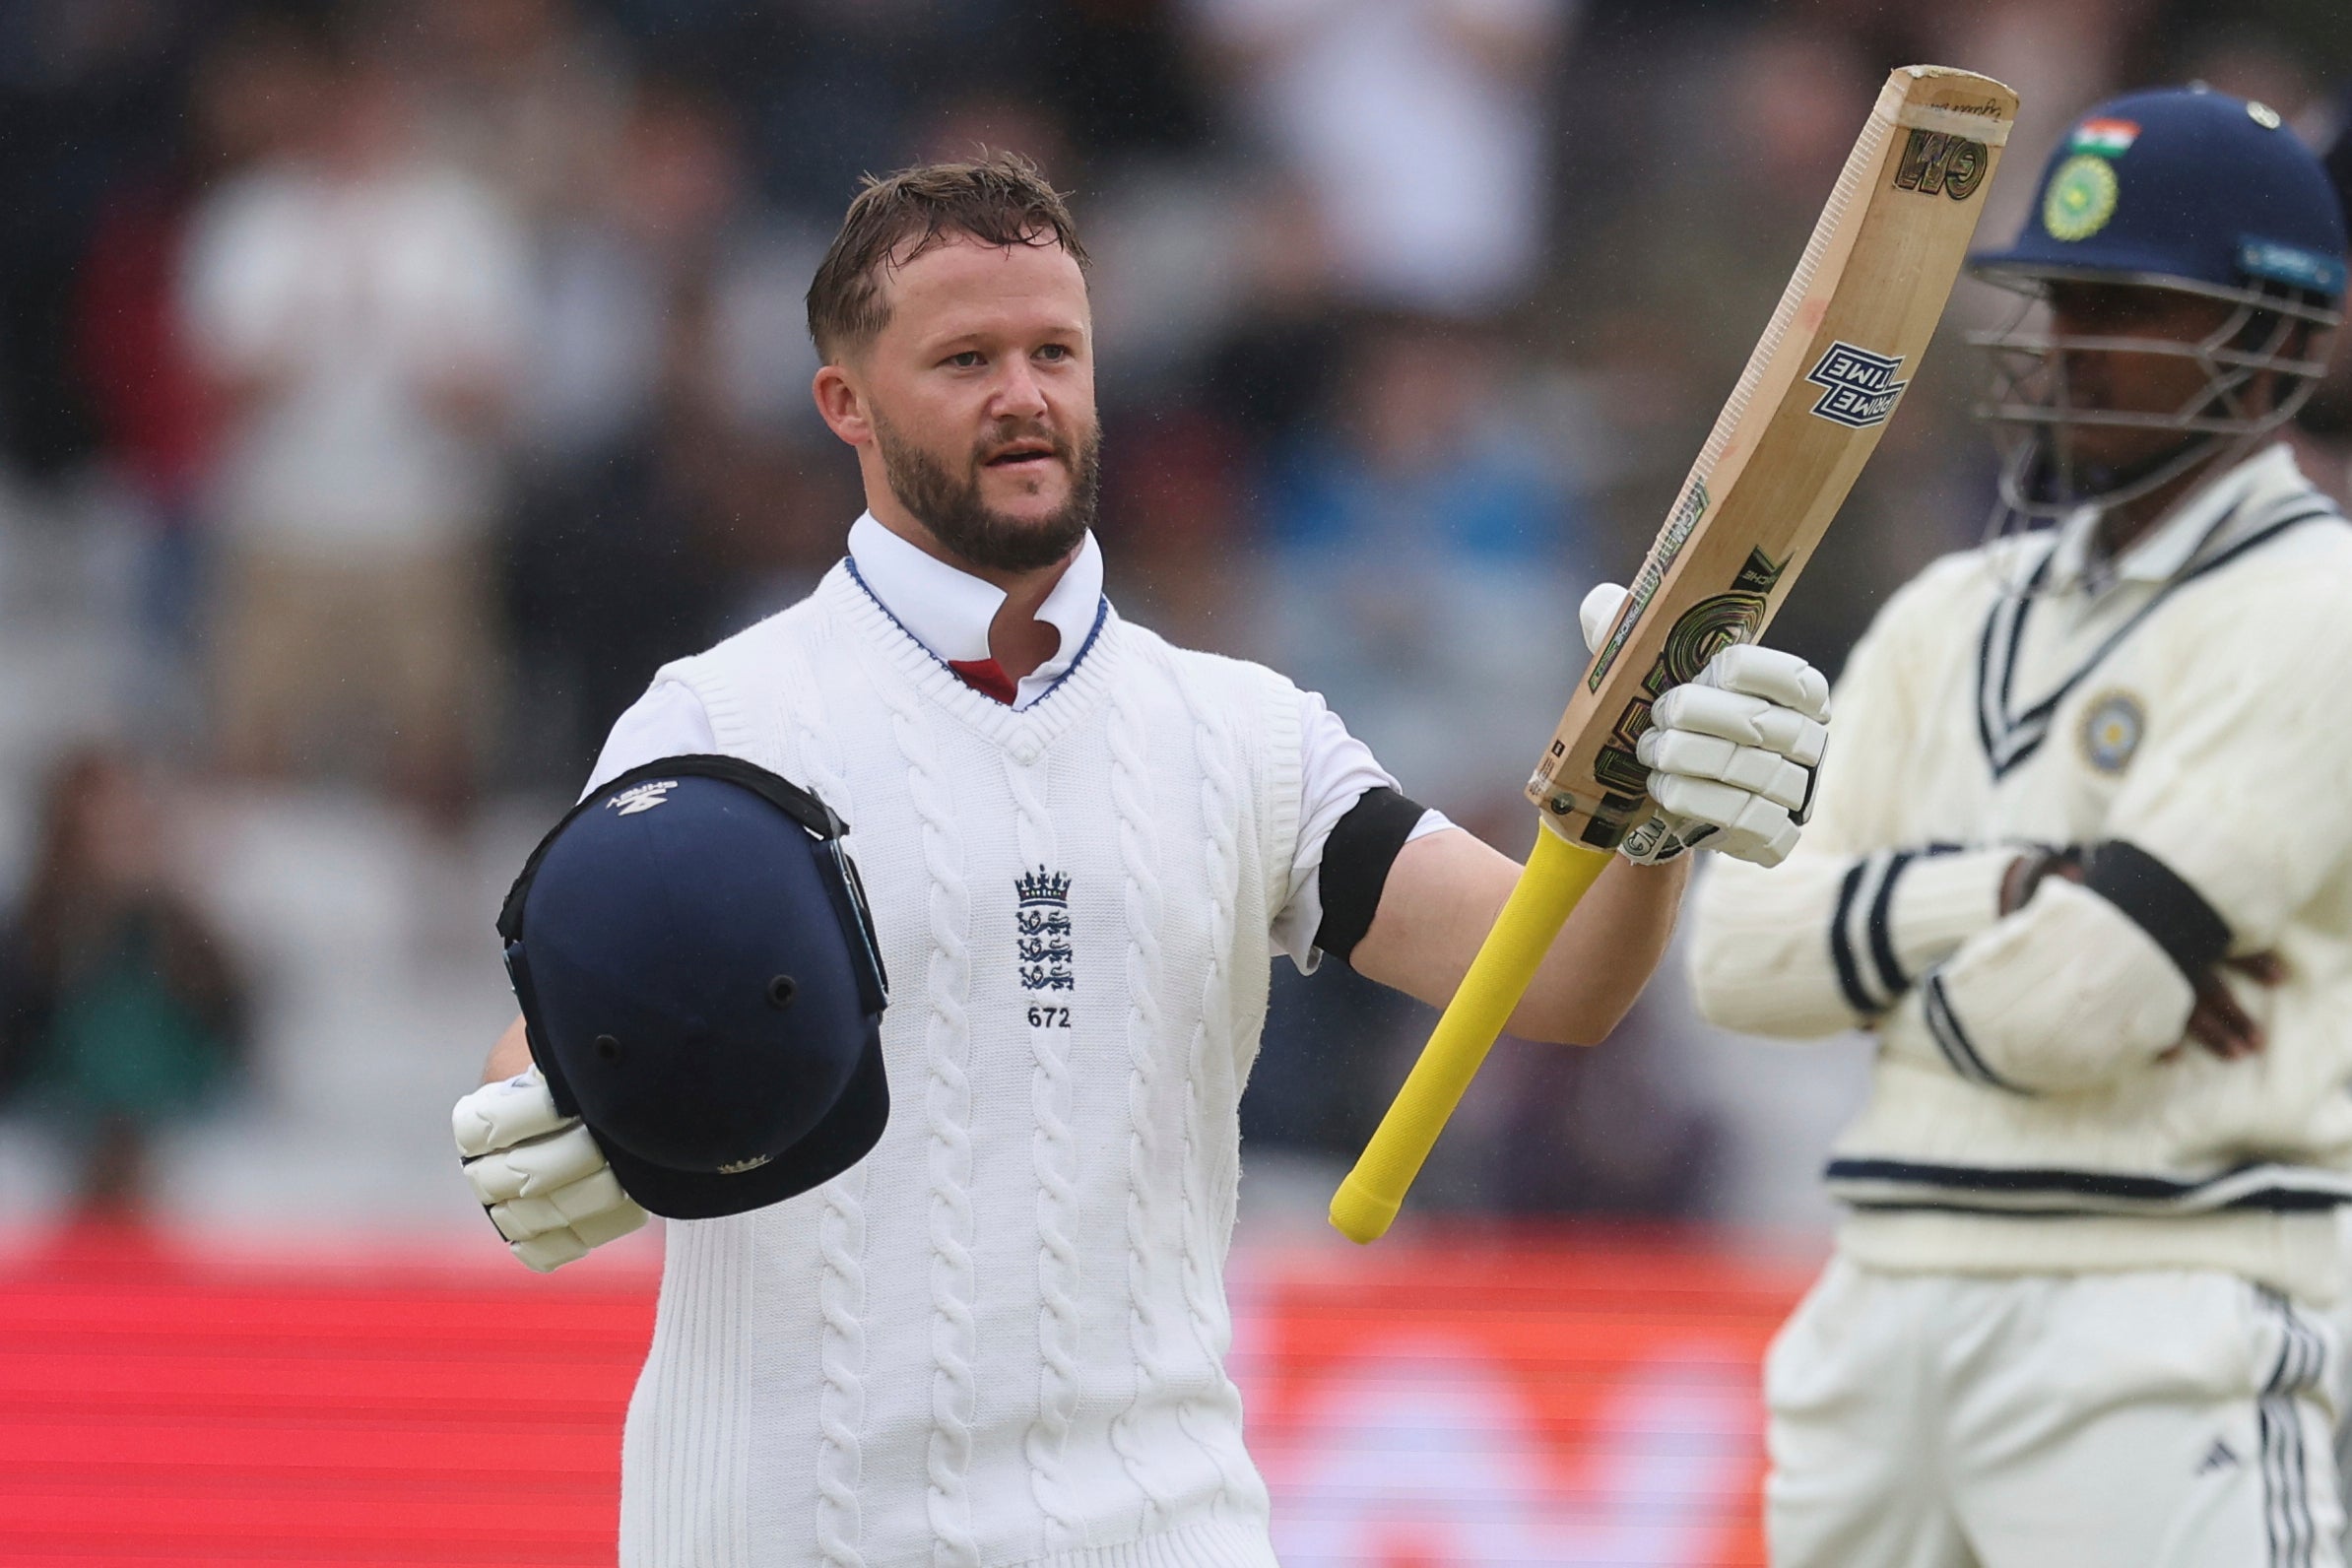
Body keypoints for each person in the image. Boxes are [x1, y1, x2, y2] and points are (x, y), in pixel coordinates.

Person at [454, 152, 1831, 1565]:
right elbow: (550, 1038)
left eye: (1056, 350)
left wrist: (1649, 807)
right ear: (844, 405)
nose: (1024, 396)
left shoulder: (1242, 733)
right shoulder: (722, 716)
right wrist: (543, 1113)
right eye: (966, 358)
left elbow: (1557, 982)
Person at [1687, 87, 2352, 1567]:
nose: (2058, 346)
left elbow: (2074, 1013)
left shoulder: (2320, 608)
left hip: (2169, 1297)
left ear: (2276, 345)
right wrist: (2009, 889)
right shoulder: (1942, 615)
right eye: (2052, 298)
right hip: (1875, 1307)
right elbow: (1735, 962)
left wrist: (1877, 945)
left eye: (2122, 306)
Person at [0, 747, 248, 1218]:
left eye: (127, 817)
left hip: (173, 1133)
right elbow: (17, 1051)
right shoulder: (32, 936)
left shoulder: (188, 937)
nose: (116, 832)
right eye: (100, 821)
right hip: (57, 1137)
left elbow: (231, 1039)